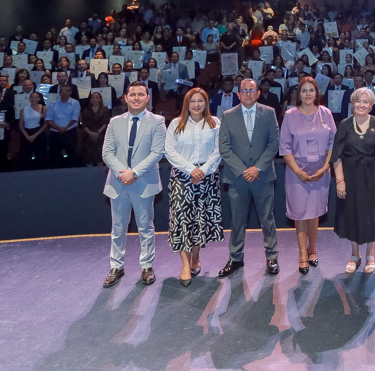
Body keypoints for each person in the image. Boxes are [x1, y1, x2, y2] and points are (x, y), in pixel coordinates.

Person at [101, 82, 167, 288]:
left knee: (145, 227)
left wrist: (134, 172)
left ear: (147, 98)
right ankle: (116, 267)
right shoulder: (114, 122)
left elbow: (157, 152)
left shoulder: (157, 121)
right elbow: (107, 153)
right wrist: (123, 174)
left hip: (143, 182)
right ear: (126, 98)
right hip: (119, 182)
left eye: (140, 94)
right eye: (133, 95)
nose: (136, 98)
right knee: (118, 228)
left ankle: (147, 266)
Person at [217, 77, 281, 278]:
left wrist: (258, 168)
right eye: (244, 90)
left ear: (258, 93)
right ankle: (235, 257)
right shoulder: (227, 115)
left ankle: (272, 257)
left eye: (251, 90)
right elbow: (224, 148)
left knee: (267, 219)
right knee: (237, 220)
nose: (248, 94)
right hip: (238, 178)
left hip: (263, 176)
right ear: (238, 94)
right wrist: (244, 170)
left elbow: (274, 143)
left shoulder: (269, 113)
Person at [164, 88, 224, 286]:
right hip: (182, 178)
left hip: (207, 177)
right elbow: (169, 151)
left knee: (200, 221)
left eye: (200, 101)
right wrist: (191, 170)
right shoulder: (176, 124)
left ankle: (195, 258)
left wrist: (203, 170)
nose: (196, 105)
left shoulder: (215, 123)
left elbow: (219, 150)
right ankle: (184, 264)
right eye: (193, 101)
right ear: (186, 104)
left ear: (206, 103)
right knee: (182, 221)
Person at [280, 76, 336, 274]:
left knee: (314, 212)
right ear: (298, 93)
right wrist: (298, 172)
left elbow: (333, 143)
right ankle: (302, 253)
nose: (308, 94)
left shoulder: (326, 113)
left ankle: (313, 250)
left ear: (316, 93)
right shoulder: (290, 115)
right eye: (304, 90)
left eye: (311, 90)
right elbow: (285, 147)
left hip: (321, 172)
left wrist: (325, 168)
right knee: (300, 213)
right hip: (297, 173)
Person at [333, 87, 375, 275]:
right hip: (350, 177)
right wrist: (340, 181)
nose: (361, 105)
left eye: (366, 102)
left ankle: (369, 254)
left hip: (374, 176)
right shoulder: (344, 125)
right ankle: (354, 254)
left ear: (371, 105)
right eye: (358, 101)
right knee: (351, 213)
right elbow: (336, 156)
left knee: (372, 214)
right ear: (352, 103)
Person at [78, 89, 110, 166]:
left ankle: (100, 165)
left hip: (101, 133)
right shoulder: (86, 110)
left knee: (100, 147)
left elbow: (106, 122)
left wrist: (98, 132)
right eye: (93, 97)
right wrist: (90, 133)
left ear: (100, 99)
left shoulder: (105, 109)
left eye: (97, 97)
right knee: (88, 149)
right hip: (88, 133)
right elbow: (83, 123)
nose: (94, 99)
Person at [18, 90, 48, 167]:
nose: (34, 99)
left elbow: (46, 124)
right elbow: (21, 124)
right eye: (32, 97)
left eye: (36, 97)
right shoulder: (23, 109)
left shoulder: (43, 108)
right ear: (29, 98)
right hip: (26, 133)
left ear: (39, 98)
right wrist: (27, 136)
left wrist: (35, 135)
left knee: (40, 156)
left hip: (39, 133)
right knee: (25, 156)